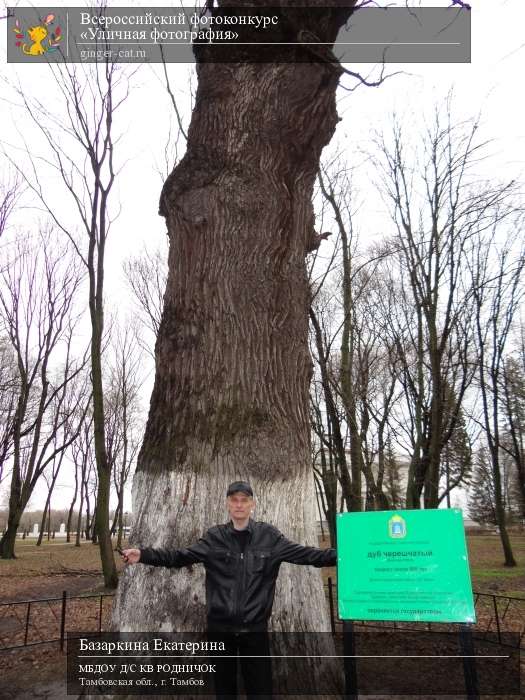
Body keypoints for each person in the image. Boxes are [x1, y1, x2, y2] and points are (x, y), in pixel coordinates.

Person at [121, 480, 336, 698]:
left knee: (261, 691)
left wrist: (341, 555)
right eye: (234, 500)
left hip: (255, 631)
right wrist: (143, 555)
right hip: (220, 630)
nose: (239, 505)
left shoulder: (269, 537)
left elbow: (308, 555)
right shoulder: (214, 537)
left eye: (244, 500)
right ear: (227, 504)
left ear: (252, 504)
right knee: (224, 691)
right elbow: (178, 557)